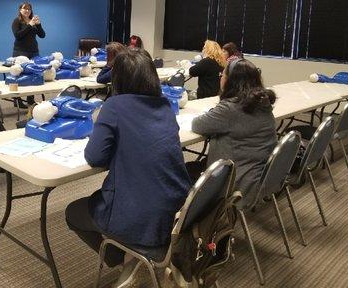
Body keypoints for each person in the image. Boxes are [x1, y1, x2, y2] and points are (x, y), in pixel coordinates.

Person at [65, 49, 191, 287]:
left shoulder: (114, 106)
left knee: (74, 211)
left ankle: (131, 259)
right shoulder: (164, 105)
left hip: (142, 216)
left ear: (118, 79)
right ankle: (135, 258)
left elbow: (95, 157)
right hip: (177, 212)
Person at [190, 59, 277, 204]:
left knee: (182, 172)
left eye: (223, 75)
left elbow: (197, 125)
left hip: (236, 182)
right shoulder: (263, 102)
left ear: (231, 81)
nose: (220, 77)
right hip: (261, 175)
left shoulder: (231, 108)